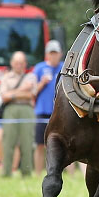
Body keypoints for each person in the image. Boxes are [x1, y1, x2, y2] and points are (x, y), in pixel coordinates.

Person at [0, 51, 36, 177]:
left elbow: (31, 94)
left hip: (26, 109)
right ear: (12, 63)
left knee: (27, 142)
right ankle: (6, 173)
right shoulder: (5, 77)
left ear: (25, 64)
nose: (19, 65)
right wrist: (21, 90)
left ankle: (27, 172)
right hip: (10, 110)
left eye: (21, 63)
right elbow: (4, 97)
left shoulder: (31, 77)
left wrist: (12, 94)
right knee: (8, 142)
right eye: (16, 62)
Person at [33, 40, 64, 174]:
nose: (53, 56)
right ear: (47, 55)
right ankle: (38, 173)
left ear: (60, 54)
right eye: (51, 53)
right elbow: (33, 91)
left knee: (65, 144)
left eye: (55, 53)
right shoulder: (39, 68)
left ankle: (70, 174)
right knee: (40, 144)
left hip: (61, 112)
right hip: (42, 112)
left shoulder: (65, 67)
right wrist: (42, 82)